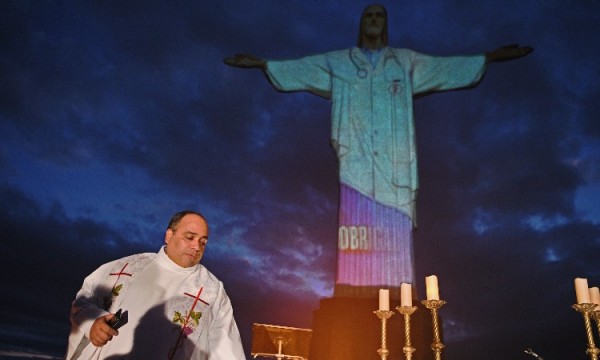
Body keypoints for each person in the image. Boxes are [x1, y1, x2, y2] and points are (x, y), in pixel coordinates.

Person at [224, 4, 533, 297]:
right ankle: (353, 284)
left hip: (393, 162)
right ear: (362, 24)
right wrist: (264, 64)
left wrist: (489, 57)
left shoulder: (404, 61)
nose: (373, 19)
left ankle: (397, 286)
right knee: (354, 221)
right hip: (356, 160)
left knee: (394, 223)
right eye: (368, 15)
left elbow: (445, 67)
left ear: (385, 25)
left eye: (379, 15)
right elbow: (303, 68)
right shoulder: (340, 60)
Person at [65, 210, 246, 360]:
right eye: (189, 237)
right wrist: (93, 322)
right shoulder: (126, 268)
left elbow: (227, 351)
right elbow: (83, 299)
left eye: (203, 242)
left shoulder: (212, 292)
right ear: (169, 235)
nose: (196, 246)